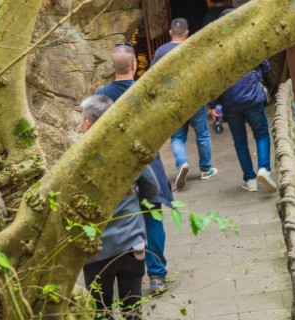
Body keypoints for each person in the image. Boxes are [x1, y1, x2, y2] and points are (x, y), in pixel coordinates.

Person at [80, 94, 159, 320]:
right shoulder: (128, 153)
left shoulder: (77, 161)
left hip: (96, 252)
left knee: (102, 313)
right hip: (131, 247)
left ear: (89, 124)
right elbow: (152, 190)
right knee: (132, 310)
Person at [95, 43, 174, 294]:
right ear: (135, 64)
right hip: (150, 165)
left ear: (111, 66)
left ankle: (127, 274)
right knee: (153, 219)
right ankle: (157, 274)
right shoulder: (148, 92)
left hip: (118, 172)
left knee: (123, 221)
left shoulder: (101, 96)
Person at [210, 18, 276, 193]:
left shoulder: (216, 48)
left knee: (240, 141)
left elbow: (213, 80)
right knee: (261, 134)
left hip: (230, 101)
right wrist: (257, 77)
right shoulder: (249, 40)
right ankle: (264, 169)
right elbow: (266, 66)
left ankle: (250, 179)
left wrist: (214, 104)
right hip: (252, 97)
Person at [151, 18, 217, 189]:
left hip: (172, 102)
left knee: (178, 137)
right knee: (202, 134)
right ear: (187, 32)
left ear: (170, 33)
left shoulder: (160, 52)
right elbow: (205, 76)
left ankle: (182, 163)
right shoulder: (194, 48)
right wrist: (211, 103)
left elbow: (152, 79)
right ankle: (206, 170)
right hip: (195, 99)